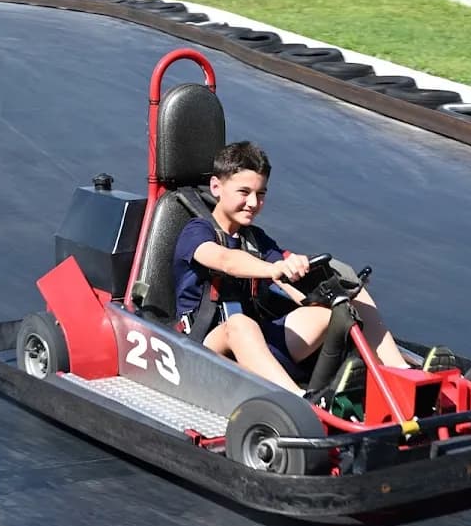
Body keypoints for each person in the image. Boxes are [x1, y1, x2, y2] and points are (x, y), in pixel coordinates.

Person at [172, 141, 435, 400]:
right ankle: (298, 401)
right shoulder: (197, 231)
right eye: (244, 192)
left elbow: (291, 285)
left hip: (256, 344)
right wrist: (273, 268)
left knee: (348, 297)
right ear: (216, 187)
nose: (253, 202)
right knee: (240, 324)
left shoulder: (255, 239)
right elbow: (225, 260)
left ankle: (401, 375)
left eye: (261, 194)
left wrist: (329, 293)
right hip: (203, 348)